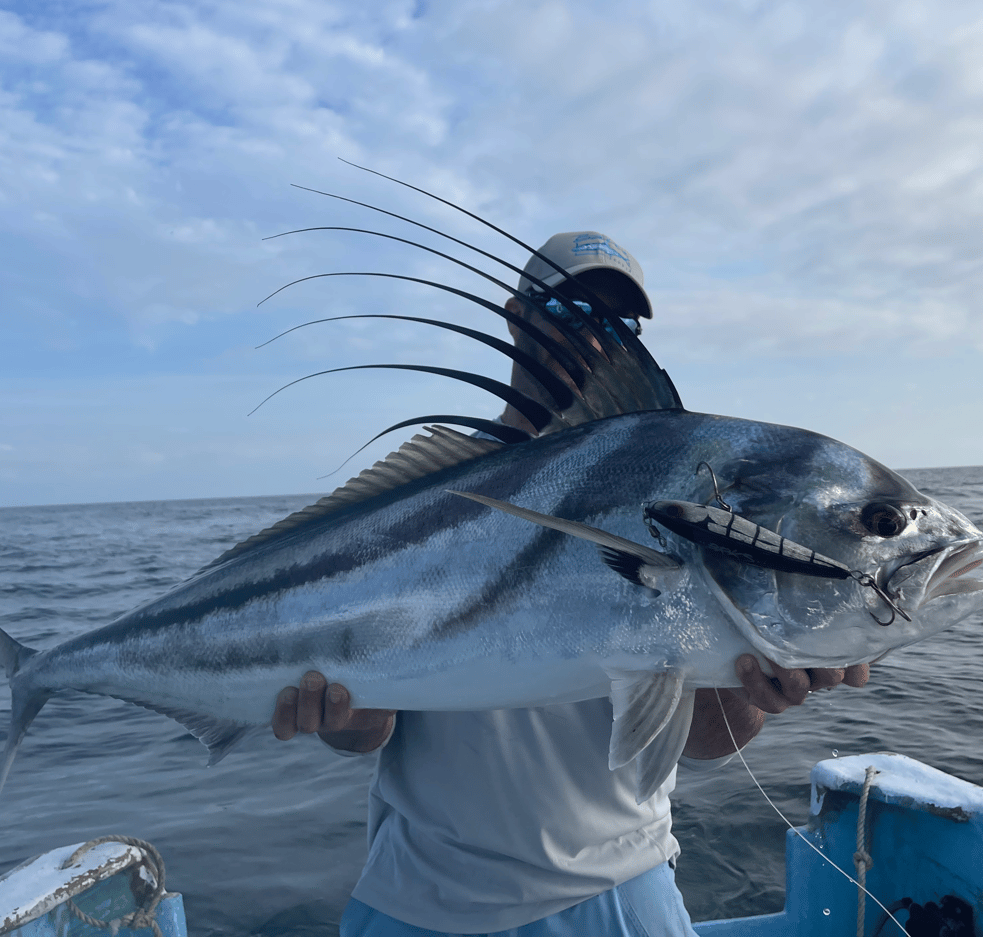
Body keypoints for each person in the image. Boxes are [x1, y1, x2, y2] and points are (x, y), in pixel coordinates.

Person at [272, 231, 869, 936]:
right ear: (516, 315)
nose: (591, 340)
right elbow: (369, 728)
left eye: (615, 324)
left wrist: (755, 679)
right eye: (568, 312)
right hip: (422, 898)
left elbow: (705, 740)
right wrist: (346, 716)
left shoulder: (692, 492)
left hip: (623, 890)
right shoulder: (434, 489)